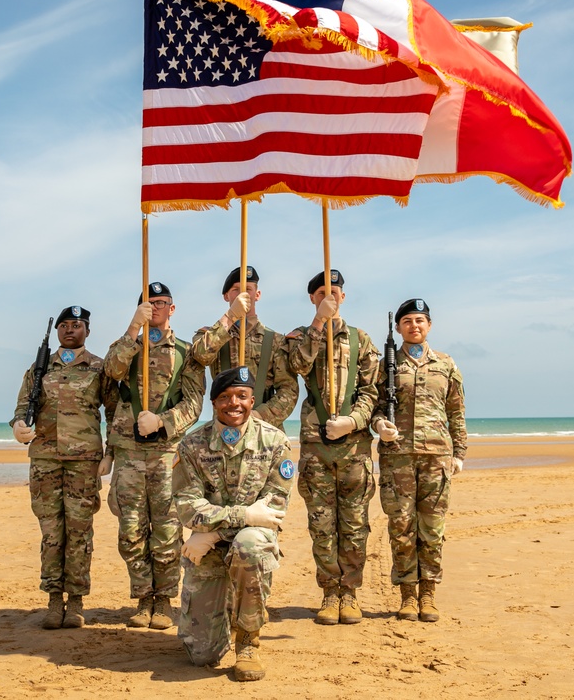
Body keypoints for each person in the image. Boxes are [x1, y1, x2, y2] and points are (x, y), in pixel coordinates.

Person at [172, 366, 294, 681]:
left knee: (250, 545)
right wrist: (230, 523)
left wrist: (212, 530)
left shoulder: (275, 442)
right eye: (225, 397)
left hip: (248, 542)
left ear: (253, 400)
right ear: (214, 402)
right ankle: (224, 611)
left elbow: (273, 509)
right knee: (202, 655)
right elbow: (187, 507)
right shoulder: (192, 445)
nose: (234, 403)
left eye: (242, 396)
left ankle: (248, 643)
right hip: (207, 549)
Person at [103, 282, 206, 630]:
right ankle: (143, 597)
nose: (156, 308)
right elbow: (112, 372)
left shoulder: (184, 352)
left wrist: (163, 421)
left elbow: (193, 403)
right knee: (130, 528)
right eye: (149, 303)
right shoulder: (127, 345)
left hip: (166, 450)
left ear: (172, 309)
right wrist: (134, 328)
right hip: (128, 451)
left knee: (166, 527)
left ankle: (163, 600)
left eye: (162, 303)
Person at [10, 305, 118, 629]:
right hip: (44, 459)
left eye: (77, 324)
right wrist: (17, 426)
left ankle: (77, 602)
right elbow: (21, 406)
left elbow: (113, 413)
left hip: (84, 462)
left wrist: (110, 453)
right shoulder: (40, 368)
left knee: (80, 533)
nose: (70, 329)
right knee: (51, 533)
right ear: (57, 331)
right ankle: (54, 600)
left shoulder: (99, 368)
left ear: (87, 330)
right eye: (65, 325)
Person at [285, 269, 379, 625]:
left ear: (344, 296)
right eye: (322, 292)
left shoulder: (361, 340)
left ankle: (350, 593)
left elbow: (371, 391)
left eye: (335, 291)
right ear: (312, 297)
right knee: (322, 526)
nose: (330, 296)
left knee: (354, 525)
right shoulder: (300, 336)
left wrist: (353, 421)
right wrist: (317, 324)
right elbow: (296, 365)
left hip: (353, 448)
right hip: (316, 447)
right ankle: (329, 593)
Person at [370, 298, 467, 622]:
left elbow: (456, 411)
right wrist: (379, 425)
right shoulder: (386, 365)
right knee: (401, 527)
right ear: (398, 328)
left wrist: (459, 453)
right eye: (408, 321)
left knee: (432, 529)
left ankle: (429, 593)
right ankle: (408, 594)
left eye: (420, 320)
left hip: (436, 457)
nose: (414, 326)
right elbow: (374, 405)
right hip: (398, 458)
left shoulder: (446, 364)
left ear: (429, 326)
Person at [190, 266, 298, 429]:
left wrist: (258, 416)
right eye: (236, 290)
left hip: (264, 431)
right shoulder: (209, 335)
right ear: (226, 296)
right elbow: (201, 355)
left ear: (258, 294)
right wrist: (230, 316)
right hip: (223, 426)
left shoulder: (276, 341)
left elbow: (289, 390)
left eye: (247, 289)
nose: (242, 295)